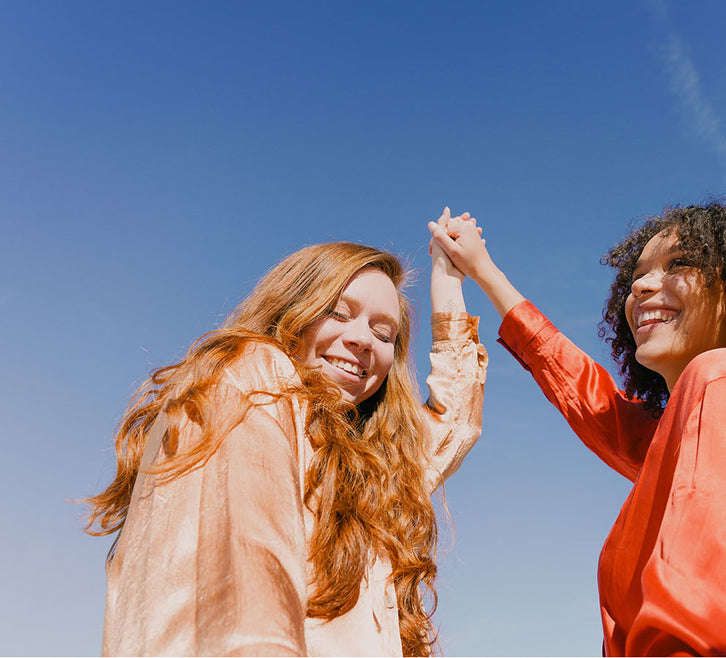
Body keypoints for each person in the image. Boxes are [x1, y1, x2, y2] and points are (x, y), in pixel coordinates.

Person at [429, 203, 726, 656]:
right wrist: (484, 271)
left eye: (679, 264)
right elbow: (596, 405)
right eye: (636, 278)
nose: (641, 286)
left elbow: (718, 628)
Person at [85, 208, 487, 657]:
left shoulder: (369, 468)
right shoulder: (253, 381)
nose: (363, 340)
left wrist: (448, 280)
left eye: (384, 332)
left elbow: (455, 422)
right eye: (338, 312)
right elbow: (241, 590)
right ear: (292, 308)